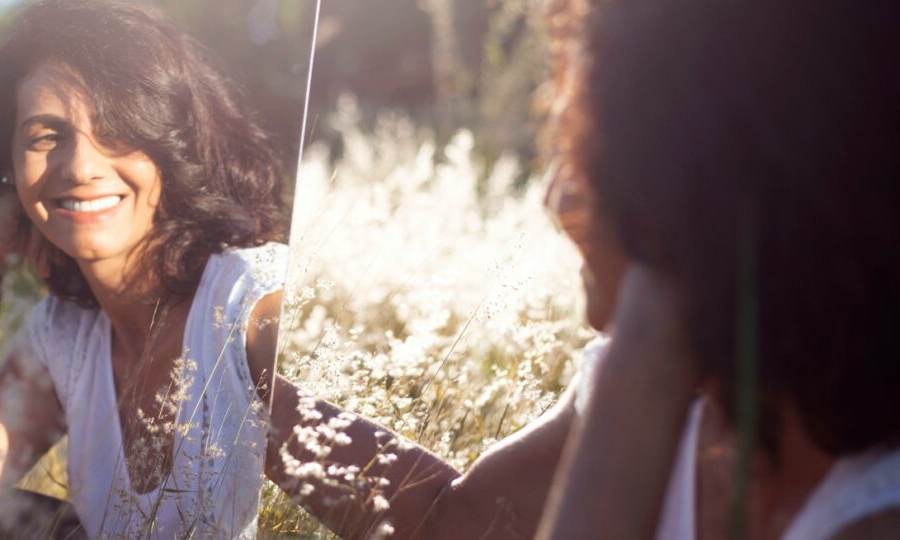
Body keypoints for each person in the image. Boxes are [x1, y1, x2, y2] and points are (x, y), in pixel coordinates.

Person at [267, 0, 900, 538]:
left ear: (703, 187)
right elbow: (455, 523)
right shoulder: (663, 383)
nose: (556, 202)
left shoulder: (873, 508)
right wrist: (253, 391)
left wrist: (647, 345)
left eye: (589, 157)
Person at [0, 1, 290, 538]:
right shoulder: (67, 337)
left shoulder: (252, 301)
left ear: (172, 142)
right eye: (45, 137)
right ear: (9, 165)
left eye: (117, 127)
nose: (80, 166)